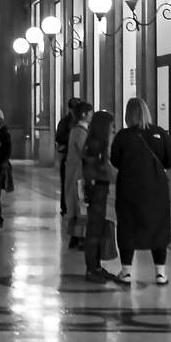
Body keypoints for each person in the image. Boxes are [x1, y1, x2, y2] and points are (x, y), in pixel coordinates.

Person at [109, 96, 171, 286]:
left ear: (128, 115)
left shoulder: (123, 136)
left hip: (129, 188)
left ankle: (126, 272)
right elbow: (170, 160)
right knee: (159, 227)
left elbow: (115, 160)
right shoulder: (160, 133)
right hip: (156, 188)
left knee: (127, 226)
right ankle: (160, 273)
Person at [82, 109, 118, 282]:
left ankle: (96, 266)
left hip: (100, 188)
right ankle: (91, 269)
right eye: (111, 126)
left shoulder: (100, 144)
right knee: (94, 230)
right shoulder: (95, 145)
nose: (113, 129)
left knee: (98, 228)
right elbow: (91, 170)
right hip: (96, 189)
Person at [64, 100, 92, 251]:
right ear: (84, 114)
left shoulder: (75, 130)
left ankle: (75, 236)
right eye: (90, 113)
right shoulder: (81, 132)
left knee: (75, 205)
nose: (92, 116)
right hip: (79, 174)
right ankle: (81, 237)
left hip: (73, 173)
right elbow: (84, 153)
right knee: (81, 205)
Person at [54, 97, 79, 217]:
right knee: (66, 182)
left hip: (77, 158)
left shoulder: (79, 122)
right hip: (67, 157)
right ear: (69, 109)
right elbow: (59, 138)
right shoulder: (64, 122)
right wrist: (72, 136)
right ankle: (65, 207)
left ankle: (74, 207)